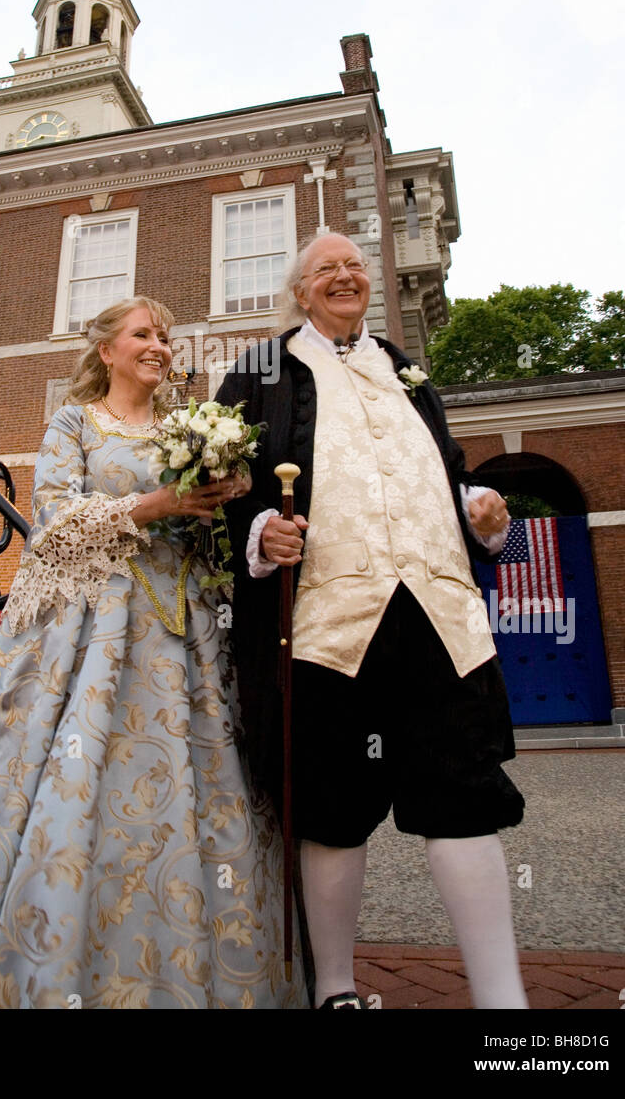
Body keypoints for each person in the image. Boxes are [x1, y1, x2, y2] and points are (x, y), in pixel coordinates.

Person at [0, 296, 303, 1009]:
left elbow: (215, 535)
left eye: (166, 338)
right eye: (143, 334)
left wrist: (224, 493)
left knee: (194, 792)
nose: (160, 346)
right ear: (107, 350)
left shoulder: (189, 428)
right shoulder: (74, 420)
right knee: (77, 789)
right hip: (94, 633)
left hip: (185, 630)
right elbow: (50, 522)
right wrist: (153, 506)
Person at [216, 233, 527, 1011]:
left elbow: (440, 477)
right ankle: (337, 989)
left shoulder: (408, 371)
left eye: (354, 266)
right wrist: (259, 532)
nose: (346, 276)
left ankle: (503, 1002)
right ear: (300, 291)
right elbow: (223, 483)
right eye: (327, 269)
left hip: (440, 615)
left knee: (464, 792)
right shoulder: (261, 367)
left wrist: (484, 519)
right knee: (331, 805)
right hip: (327, 620)